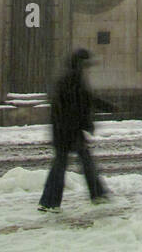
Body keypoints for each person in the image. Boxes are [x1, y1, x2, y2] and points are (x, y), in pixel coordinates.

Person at [38, 48, 114, 212]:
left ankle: (50, 201)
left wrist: (107, 106)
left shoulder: (72, 79)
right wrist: (86, 123)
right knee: (70, 165)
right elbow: (78, 105)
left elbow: (86, 100)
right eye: (85, 65)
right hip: (68, 131)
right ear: (79, 64)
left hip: (66, 130)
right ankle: (94, 194)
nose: (87, 69)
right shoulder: (72, 80)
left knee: (68, 164)